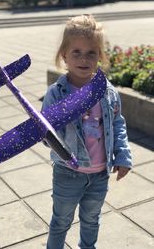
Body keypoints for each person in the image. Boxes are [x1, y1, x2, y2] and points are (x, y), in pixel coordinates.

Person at [42, 14, 132, 249]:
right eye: (77, 52)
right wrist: (47, 127)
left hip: (99, 173)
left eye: (91, 52)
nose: (84, 59)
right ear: (64, 56)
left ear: (100, 56)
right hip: (68, 172)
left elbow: (117, 123)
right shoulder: (56, 92)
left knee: (91, 220)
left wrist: (122, 156)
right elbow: (46, 135)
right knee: (61, 221)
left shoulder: (107, 91)